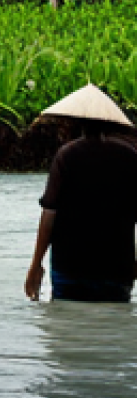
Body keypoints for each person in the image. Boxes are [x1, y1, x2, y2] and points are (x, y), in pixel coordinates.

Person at [26, 84, 137, 303]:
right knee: (114, 331)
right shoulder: (130, 156)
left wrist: (36, 265)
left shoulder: (66, 156)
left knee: (69, 328)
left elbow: (49, 215)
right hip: (117, 269)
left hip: (70, 267)